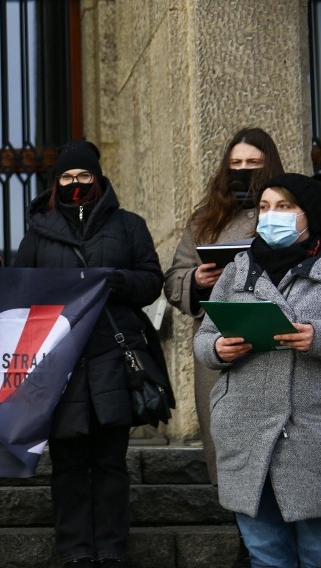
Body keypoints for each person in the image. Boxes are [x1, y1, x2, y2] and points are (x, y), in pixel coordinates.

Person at [12, 141, 164, 567]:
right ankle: (76, 549)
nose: (75, 184)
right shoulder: (38, 234)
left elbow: (152, 281)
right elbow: (20, 292)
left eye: (82, 176)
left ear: (97, 179)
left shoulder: (129, 226)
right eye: (66, 177)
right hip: (60, 364)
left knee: (111, 460)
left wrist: (114, 280)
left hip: (113, 359)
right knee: (68, 461)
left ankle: (113, 547)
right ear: (55, 182)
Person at [193, 173, 321, 567]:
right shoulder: (238, 268)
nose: (271, 216)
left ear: (309, 214)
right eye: (265, 208)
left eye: (284, 207)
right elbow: (204, 336)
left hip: (310, 434)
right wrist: (218, 347)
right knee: (265, 555)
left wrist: (316, 339)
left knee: (316, 552)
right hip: (246, 431)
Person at [164, 127, 284, 487]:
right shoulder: (205, 219)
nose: (243, 169)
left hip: (278, 345)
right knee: (229, 451)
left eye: (253, 163)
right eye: (236, 163)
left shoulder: (294, 212)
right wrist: (197, 280)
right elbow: (173, 279)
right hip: (220, 346)